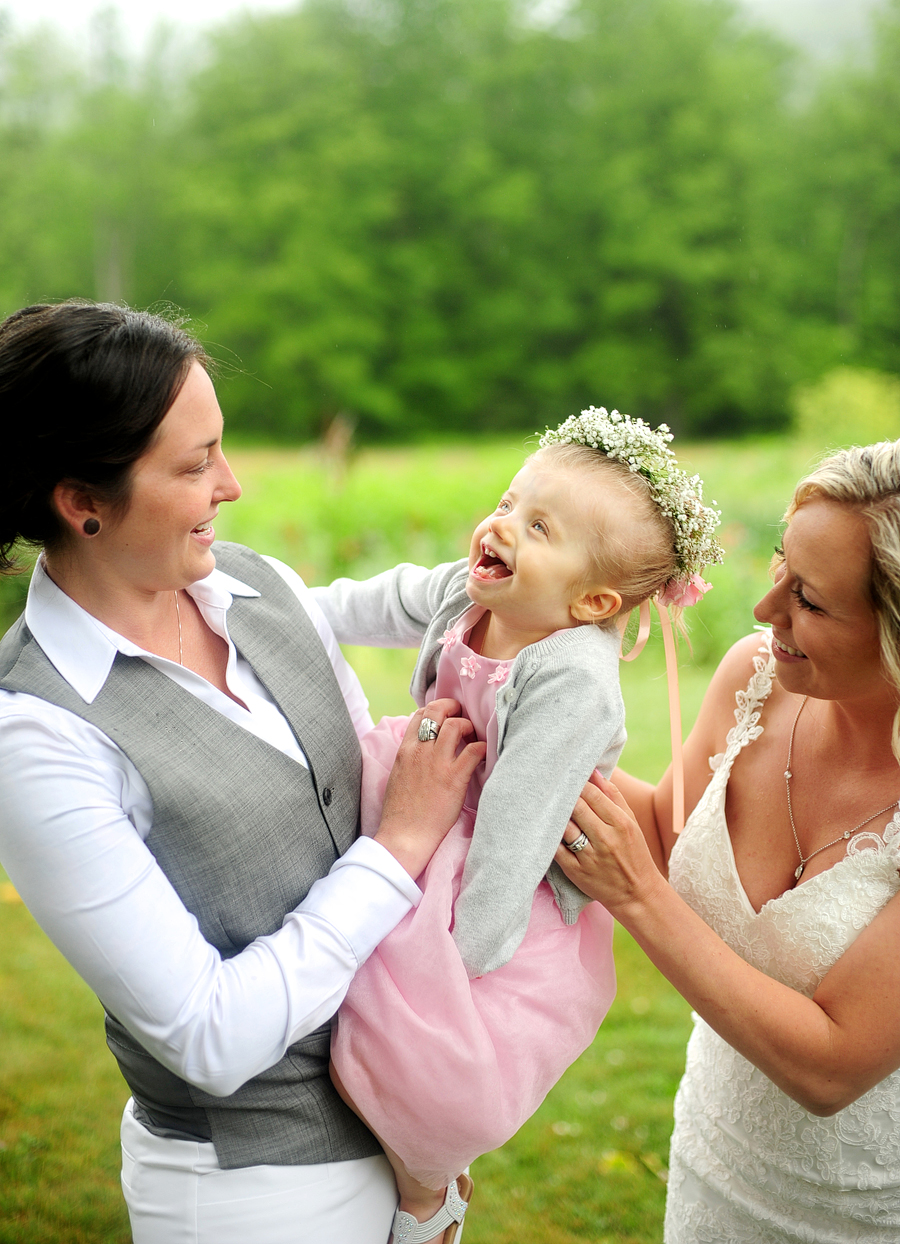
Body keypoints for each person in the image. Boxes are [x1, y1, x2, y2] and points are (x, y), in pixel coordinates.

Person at [0, 300, 487, 1244]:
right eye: (193, 465)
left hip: (410, 1141)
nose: (232, 485)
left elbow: (410, 620)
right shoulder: (35, 734)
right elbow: (205, 1036)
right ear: (81, 501)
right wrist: (402, 848)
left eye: (221, 448)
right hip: (254, 1193)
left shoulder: (257, 587)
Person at [313, 407, 723, 1244]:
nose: (499, 525)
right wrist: (283, 610)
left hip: (505, 885)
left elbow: (516, 830)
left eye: (537, 527)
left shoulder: (572, 679)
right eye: (508, 501)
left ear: (593, 600)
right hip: (438, 806)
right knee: (354, 975)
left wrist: (455, 967)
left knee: (424, 1063)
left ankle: (426, 1198)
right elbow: (382, 597)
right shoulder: (479, 590)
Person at [555, 439, 900, 1242]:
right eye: (781, 565)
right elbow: (672, 832)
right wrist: (521, 733)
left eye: (809, 602)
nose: (764, 609)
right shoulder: (756, 677)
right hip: (717, 1165)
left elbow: (830, 1066)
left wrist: (636, 896)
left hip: (865, 1209)